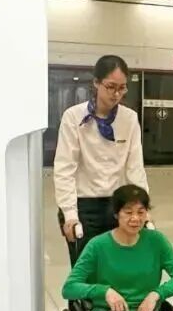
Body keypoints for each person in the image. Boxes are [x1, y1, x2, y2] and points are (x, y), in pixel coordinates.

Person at [54, 55, 148, 265]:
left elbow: (135, 167)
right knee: (86, 270)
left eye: (122, 88)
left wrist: (142, 207)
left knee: (119, 267)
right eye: (111, 87)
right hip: (83, 205)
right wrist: (69, 213)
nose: (116, 94)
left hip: (118, 204)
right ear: (96, 83)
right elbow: (65, 168)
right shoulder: (73, 117)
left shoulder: (129, 118)